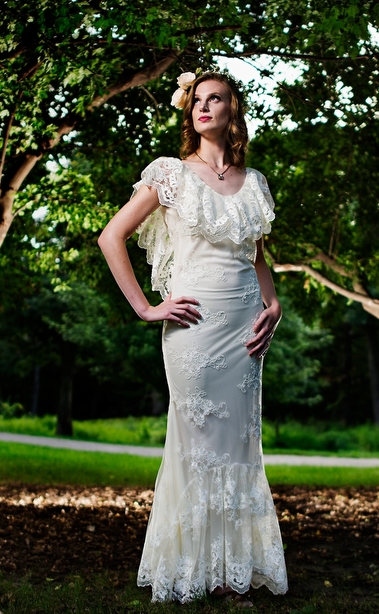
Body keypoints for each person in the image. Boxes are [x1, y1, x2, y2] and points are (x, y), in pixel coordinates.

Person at [98, 71, 289, 606]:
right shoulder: (170, 175)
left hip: (246, 332)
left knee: (240, 447)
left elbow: (255, 256)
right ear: (190, 113)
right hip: (193, 329)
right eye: (197, 100)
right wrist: (145, 307)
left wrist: (273, 303)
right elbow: (111, 236)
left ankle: (231, 573)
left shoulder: (255, 182)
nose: (205, 107)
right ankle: (189, 571)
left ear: (234, 110)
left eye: (217, 99)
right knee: (198, 445)